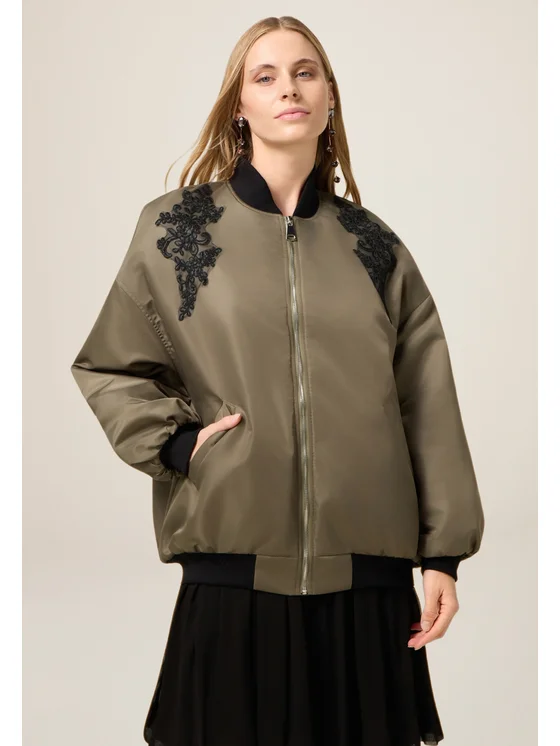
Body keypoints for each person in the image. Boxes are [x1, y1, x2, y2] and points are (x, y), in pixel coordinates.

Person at [70, 15, 485, 746]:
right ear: (241, 105)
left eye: (305, 72)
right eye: (265, 76)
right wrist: (179, 445)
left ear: (329, 97)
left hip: (368, 577)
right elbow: (111, 364)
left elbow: (426, 401)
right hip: (235, 571)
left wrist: (442, 554)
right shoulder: (176, 230)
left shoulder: (375, 246)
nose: (288, 88)